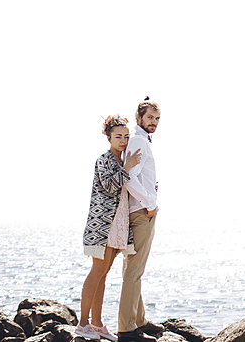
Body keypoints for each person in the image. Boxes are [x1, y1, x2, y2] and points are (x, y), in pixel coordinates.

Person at [78, 115, 142, 341]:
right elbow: (109, 186)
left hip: (119, 225)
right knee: (97, 272)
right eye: (118, 137)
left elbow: (127, 187)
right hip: (103, 226)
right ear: (108, 137)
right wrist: (127, 167)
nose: (123, 141)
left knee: (103, 275)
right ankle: (82, 323)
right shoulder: (104, 159)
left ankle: (96, 324)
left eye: (126, 136)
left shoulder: (123, 160)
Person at [117, 97, 163, 342]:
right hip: (142, 213)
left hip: (139, 210)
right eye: (149, 118)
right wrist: (151, 203)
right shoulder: (138, 140)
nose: (154, 122)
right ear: (139, 118)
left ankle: (139, 320)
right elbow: (129, 178)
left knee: (134, 270)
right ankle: (126, 330)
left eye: (157, 118)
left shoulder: (141, 141)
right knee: (133, 271)